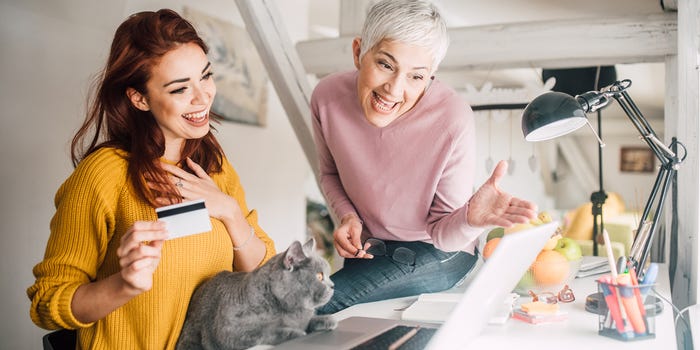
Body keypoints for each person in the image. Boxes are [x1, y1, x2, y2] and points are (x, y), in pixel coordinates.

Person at [26, 9, 276, 349]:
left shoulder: (214, 168)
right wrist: (124, 284)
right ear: (139, 98)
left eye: (205, 76)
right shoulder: (103, 175)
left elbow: (265, 278)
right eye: (179, 89)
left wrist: (229, 211)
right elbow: (47, 302)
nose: (202, 97)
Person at [312, 0, 538, 314]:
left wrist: (471, 220)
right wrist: (348, 216)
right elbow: (330, 174)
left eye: (416, 77)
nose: (394, 89)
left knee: (317, 306)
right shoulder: (326, 97)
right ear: (358, 52)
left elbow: (442, 233)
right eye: (385, 65)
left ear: (430, 75)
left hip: (438, 252)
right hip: (371, 248)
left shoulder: (452, 119)